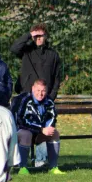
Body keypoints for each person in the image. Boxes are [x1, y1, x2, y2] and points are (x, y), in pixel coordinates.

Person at [10, 23, 62, 167]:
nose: (39, 38)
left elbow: (57, 77)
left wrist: (51, 97)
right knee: (26, 130)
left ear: (46, 36)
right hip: (27, 98)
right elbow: (14, 49)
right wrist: (29, 35)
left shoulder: (53, 55)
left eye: (41, 35)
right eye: (36, 36)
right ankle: (21, 162)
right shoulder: (26, 51)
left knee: (47, 130)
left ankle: (41, 160)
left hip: (45, 100)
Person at [14, 79, 64, 175]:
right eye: (38, 90)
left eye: (43, 91)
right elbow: (21, 121)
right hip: (23, 133)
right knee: (26, 134)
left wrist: (48, 129)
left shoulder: (49, 102)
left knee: (55, 133)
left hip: (40, 134)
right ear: (33, 89)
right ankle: (23, 167)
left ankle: (53, 167)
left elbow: (52, 118)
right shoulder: (25, 100)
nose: (40, 94)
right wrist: (40, 129)